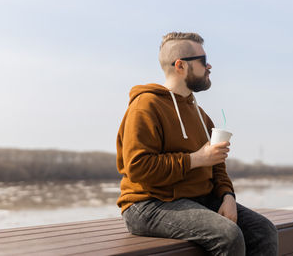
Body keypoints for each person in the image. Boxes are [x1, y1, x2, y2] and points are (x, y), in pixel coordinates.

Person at [116, 32, 278, 256]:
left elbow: (217, 164)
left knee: (264, 230)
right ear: (181, 65)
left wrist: (227, 196)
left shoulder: (200, 114)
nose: (209, 66)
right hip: (148, 204)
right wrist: (196, 159)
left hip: (197, 199)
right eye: (203, 60)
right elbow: (138, 167)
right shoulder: (146, 106)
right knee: (228, 236)